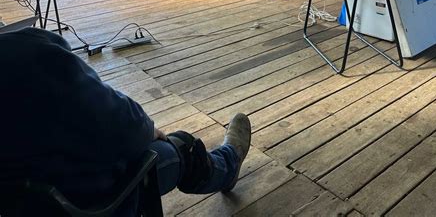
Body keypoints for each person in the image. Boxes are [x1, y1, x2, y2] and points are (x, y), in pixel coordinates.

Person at [0, 27, 251, 216]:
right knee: (180, 148)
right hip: (90, 200)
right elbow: (126, 128)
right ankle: (228, 164)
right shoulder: (33, 54)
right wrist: (147, 128)